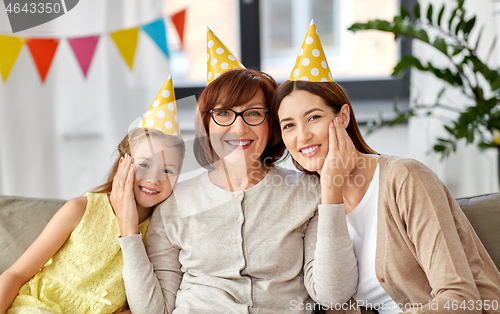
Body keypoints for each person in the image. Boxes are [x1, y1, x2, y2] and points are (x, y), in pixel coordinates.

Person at [117, 29, 358, 314]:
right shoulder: (175, 202)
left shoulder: (308, 193)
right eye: (223, 113)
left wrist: (331, 195)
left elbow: (334, 295)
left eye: (254, 113)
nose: (239, 128)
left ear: (273, 125)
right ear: (206, 124)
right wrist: (129, 232)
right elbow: (153, 310)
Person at [273, 21, 500, 314]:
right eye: (288, 125)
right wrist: (331, 192)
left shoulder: (404, 179)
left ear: (342, 117)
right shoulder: (310, 202)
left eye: (313, 117)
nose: (302, 136)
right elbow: (332, 299)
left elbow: (458, 298)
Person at [0, 78, 185, 314]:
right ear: (123, 164)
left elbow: (145, 306)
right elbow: (17, 273)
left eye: (168, 170)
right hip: (39, 306)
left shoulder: (163, 233)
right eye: (144, 165)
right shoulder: (81, 208)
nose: (154, 178)